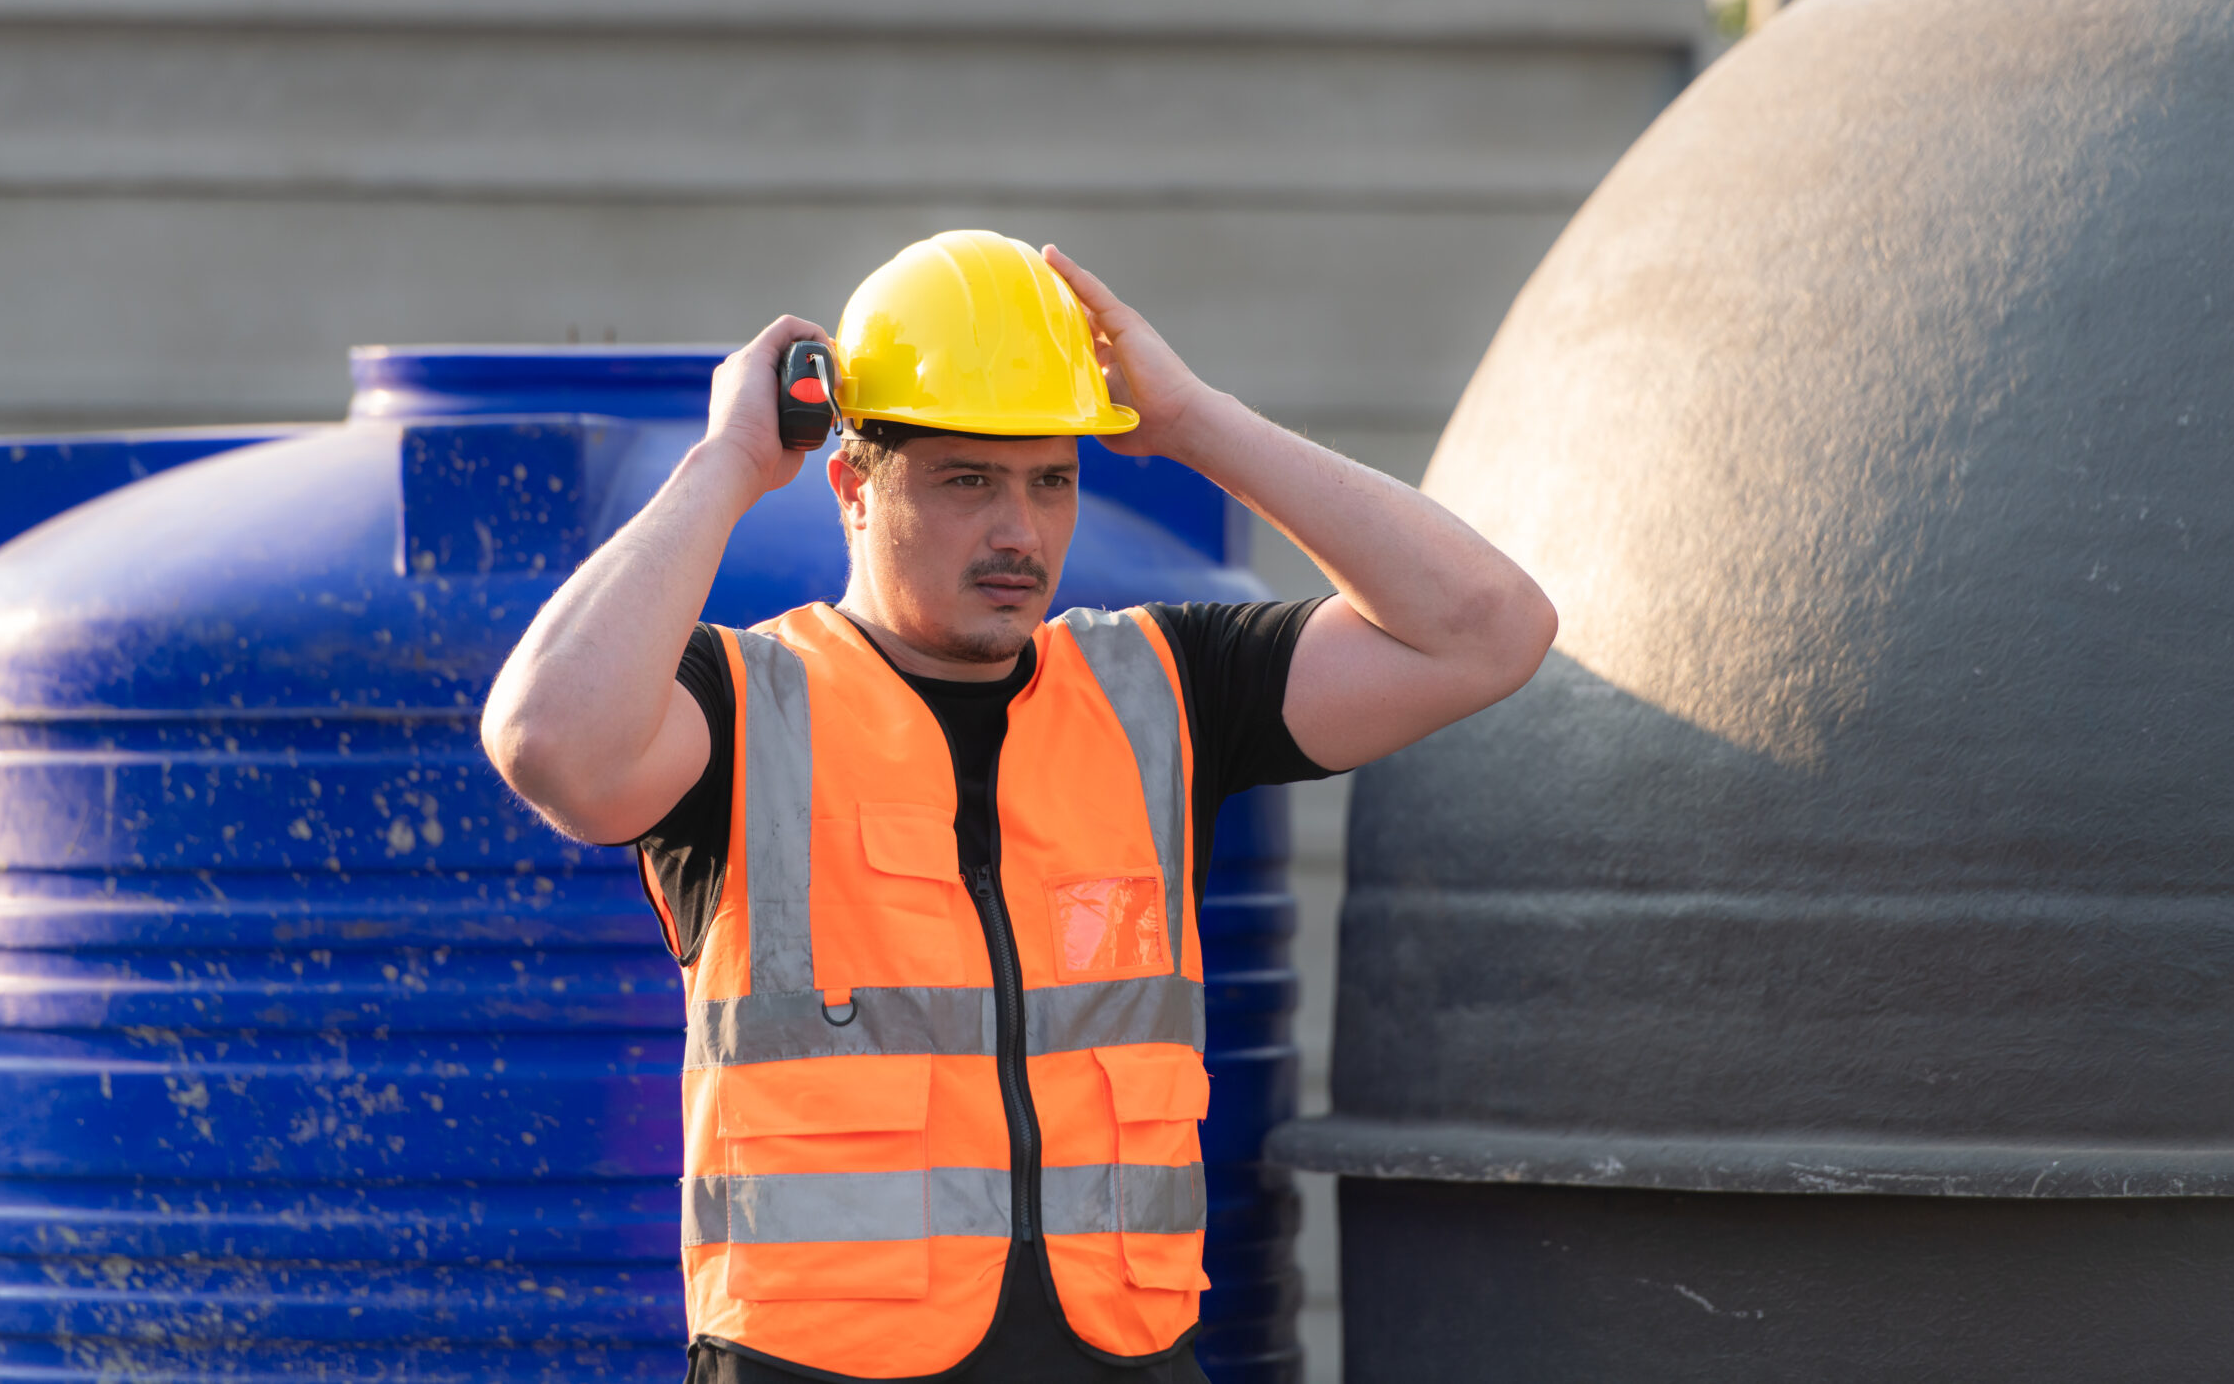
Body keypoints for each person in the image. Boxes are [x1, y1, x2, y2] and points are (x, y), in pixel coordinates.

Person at [481, 230, 1556, 1383]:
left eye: (1052, 479)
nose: (1019, 531)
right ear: (852, 484)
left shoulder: (1164, 690)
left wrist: (1195, 422)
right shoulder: (742, 707)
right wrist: (729, 462)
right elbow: (553, 744)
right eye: (967, 480)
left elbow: (1490, 629)